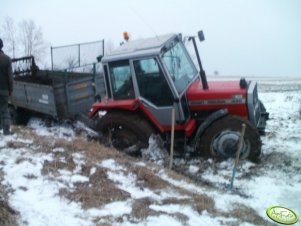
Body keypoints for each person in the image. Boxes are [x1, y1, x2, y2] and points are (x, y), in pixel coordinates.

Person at [0, 38, 14, 135]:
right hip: (4, 90)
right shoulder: (7, 59)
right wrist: (10, 90)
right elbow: (10, 78)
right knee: (4, 109)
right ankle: (6, 131)